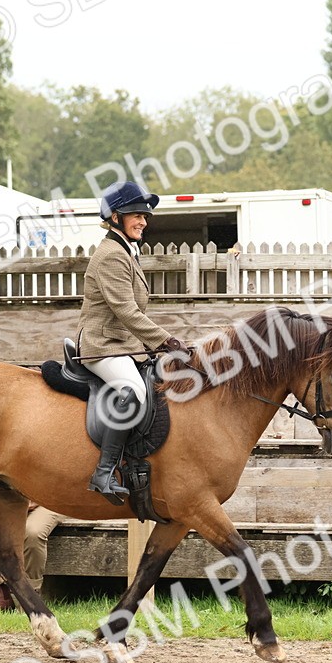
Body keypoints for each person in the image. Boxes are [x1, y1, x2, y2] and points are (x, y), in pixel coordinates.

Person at [77, 181, 187, 505]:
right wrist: (165, 340)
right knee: (134, 393)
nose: (142, 221)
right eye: (134, 214)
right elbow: (126, 311)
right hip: (103, 345)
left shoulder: (126, 251)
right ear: (114, 217)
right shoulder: (111, 255)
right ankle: (104, 471)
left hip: (122, 344)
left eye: (144, 215)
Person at [0, 504, 63, 611]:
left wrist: (34, 499)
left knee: (32, 533)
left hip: (45, 501)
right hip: (2, 498)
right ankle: (2, 594)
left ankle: (30, 597)